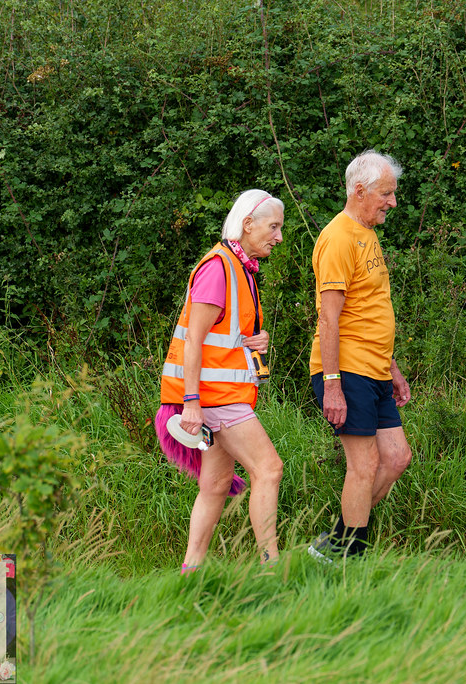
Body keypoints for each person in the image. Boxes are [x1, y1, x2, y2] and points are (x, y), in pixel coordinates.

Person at [154, 189, 285, 572]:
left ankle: (190, 573)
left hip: (219, 396)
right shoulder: (220, 267)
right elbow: (193, 339)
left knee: (215, 485)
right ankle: (271, 568)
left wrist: (254, 339)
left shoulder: (239, 268)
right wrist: (191, 402)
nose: (278, 237)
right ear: (248, 224)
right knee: (269, 469)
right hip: (215, 398)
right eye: (273, 226)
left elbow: (220, 336)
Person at [307, 150, 413, 562]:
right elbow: (329, 318)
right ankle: (347, 558)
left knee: (396, 458)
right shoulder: (336, 238)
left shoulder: (367, 234)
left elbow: (368, 309)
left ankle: (334, 543)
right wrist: (332, 385)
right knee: (364, 464)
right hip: (345, 370)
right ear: (359, 190)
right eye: (386, 194)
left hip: (374, 367)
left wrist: (392, 367)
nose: (392, 202)